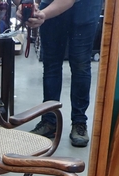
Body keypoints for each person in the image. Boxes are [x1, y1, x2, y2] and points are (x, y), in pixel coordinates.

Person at [13, 0, 103, 147]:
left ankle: (79, 122)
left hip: (87, 5)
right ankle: (49, 121)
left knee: (80, 64)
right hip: (50, 3)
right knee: (51, 64)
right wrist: (24, 5)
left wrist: (43, 14)